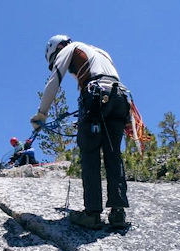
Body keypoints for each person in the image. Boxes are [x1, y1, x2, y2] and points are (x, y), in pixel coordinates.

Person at [31, 35, 130, 229]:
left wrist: (41, 114)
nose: (69, 70)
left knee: (90, 153)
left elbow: (54, 80)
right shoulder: (101, 52)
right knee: (113, 155)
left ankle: (92, 214)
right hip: (120, 98)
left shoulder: (71, 48)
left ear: (58, 47)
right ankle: (118, 213)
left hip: (96, 95)